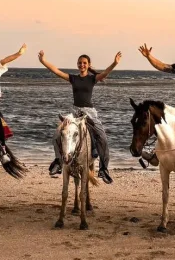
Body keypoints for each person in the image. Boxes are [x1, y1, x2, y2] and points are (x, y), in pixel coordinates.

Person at [38, 50, 122, 184]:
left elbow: (105, 73)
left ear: (88, 65)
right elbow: (56, 71)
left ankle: (103, 169)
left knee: (103, 138)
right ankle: (59, 162)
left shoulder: (92, 79)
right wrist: (43, 61)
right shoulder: (73, 78)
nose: (81, 65)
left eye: (84, 63)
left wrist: (115, 63)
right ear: (77, 65)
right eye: (80, 63)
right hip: (74, 111)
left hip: (89, 112)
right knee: (57, 134)